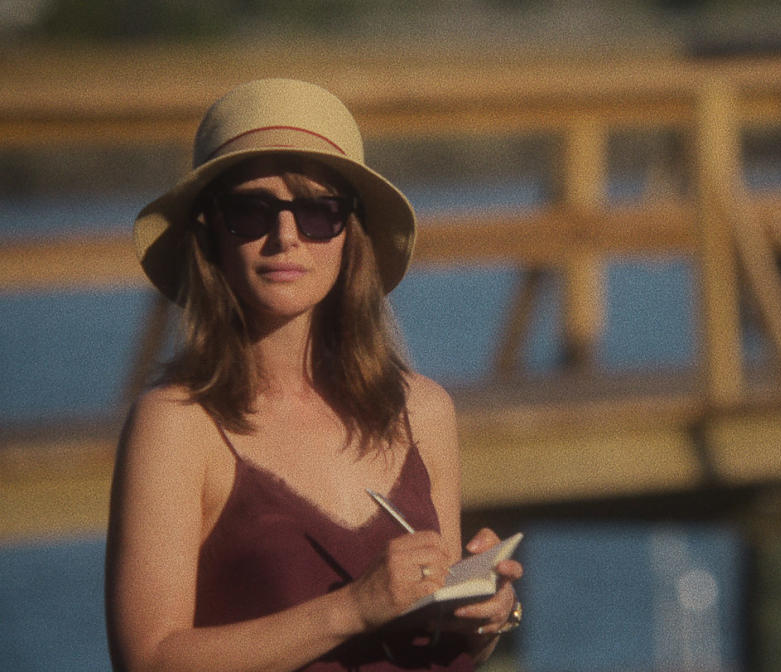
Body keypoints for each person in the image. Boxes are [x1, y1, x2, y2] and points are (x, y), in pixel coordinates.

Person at [106, 78, 523, 672]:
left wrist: (485, 616)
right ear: (209, 234)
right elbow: (147, 659)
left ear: (351, 233)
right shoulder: (176, 424)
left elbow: (438, 639)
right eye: (251, 211)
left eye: (317, 211)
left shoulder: (424, 410)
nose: (285, 236)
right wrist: (356, 607)